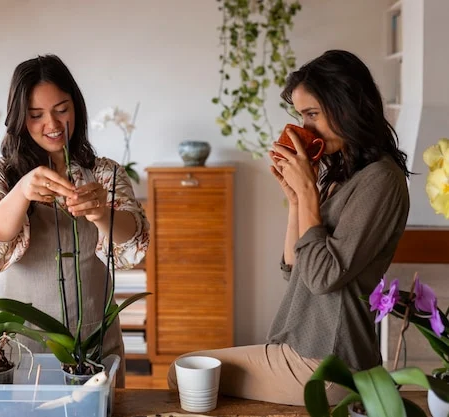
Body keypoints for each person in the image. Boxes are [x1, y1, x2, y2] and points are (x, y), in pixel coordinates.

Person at [167, 50, 411, 405]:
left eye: (312, 114)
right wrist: (297, 199)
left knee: (183, 372)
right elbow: (294, 268)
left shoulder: (381, 180)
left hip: (328, 363)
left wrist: (309, 191)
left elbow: (323, 277)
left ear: (347, 106)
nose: (305, 128)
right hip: (304, 351)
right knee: (192, 375)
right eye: (300, 116)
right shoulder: (344, 175)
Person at [0, 54, 150, 387]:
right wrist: (23, 189)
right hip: (19, 344)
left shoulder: (104, 172)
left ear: (77, 108)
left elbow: (132, 238)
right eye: (36, 115)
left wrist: (100, 212)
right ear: (18, 118)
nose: (52, 125)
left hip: (93, 343)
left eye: (61, 109)